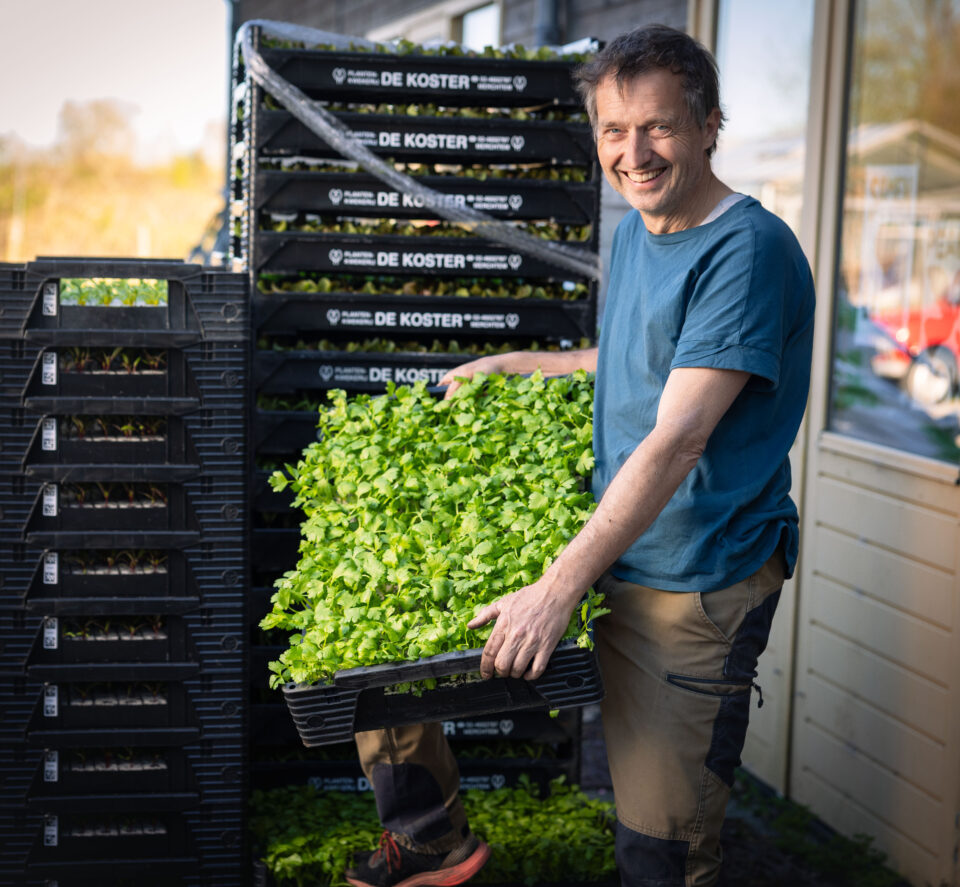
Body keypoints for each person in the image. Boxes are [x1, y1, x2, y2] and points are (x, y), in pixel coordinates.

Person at [344, 23, 815, 887]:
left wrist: (558, 584)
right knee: (383, 660)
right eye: (613, 130)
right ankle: (431, 839)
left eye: (659, 127)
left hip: (694, 581)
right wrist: (517, 366)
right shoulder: (638, 229)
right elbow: (647, 359)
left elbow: (680, 434)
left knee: (660, 849)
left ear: (711, 124)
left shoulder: (747, 251)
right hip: (618, 545)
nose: (634, 153)